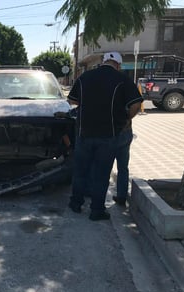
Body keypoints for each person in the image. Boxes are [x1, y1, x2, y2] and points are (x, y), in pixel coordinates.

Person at [67, 51, 143, 221]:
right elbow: (136, 103)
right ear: (118, 64)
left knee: (80, 171)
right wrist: (126, 118)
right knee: (102, 174)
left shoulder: (85, 77)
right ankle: (96, 210)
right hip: (108, 136)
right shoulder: (122, 79)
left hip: (84, 133)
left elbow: (72, 100)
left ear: (103, 61)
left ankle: (76, 203)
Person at [113, 119, 134, 206]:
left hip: (111, 131)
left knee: (104, 166)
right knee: (123, 167)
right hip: (125, 130)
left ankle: (98, 200)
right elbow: (136, 106)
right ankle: (122, 196)